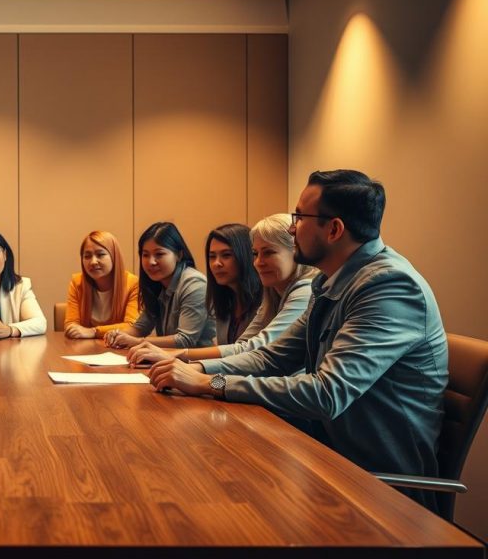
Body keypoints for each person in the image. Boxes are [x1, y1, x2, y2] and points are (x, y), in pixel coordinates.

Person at [147, 170, 447, 511]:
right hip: (323, 456)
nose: (292, 228)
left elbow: (326, 393)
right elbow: (271, 358)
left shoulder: (389, 286)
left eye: (299, 217)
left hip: (375, 489)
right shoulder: (331, 281)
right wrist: (195, 368)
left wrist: (209, 382)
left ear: (333, 229)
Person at [128, 214, 315, 363]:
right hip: (252, 386)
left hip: (282, 399)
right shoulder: (268, 290)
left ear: (296, 251)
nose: (258, 262)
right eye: (256, 254)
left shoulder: (304, 291)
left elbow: (253, 349)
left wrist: (181, 359)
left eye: (269, 252)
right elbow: (243, 346)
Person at [103, 222, 214, 349]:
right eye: (145, 255)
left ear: (179, 255)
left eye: (159, 254)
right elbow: (140, 328)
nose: (151, 261)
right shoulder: (157, 283)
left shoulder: (194, 284)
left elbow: (184, 340)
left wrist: (137, 342)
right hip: (167, 360)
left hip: (196, 364)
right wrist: (118, 334)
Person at [63, 230, 139, 339]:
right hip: (85, 349)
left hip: (120, 349)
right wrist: (75, 329)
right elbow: (71, 324)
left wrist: (94, 332)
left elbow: (132, 327)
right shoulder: (77, 282)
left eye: (100, 254)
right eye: (87, 256)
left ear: (114, 256)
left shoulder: (133, 284)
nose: (93, 261)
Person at [205, 223, 262, 345]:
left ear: (246, 256)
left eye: (226, 255)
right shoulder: (225, 299)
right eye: (212, 256)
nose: (216, 263)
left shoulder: (265, 300)